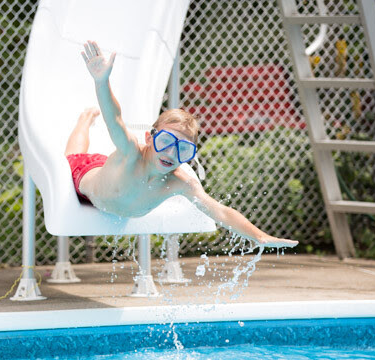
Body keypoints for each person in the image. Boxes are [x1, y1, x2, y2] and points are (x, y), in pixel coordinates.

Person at [66, 41, 298, 249]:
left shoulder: (180, 181)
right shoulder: (130, 152)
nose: (171, 152)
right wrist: (101, 82)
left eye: (183, 149)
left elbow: (219, 210)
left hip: (111, 188)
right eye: (165, 142)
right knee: (73, 155)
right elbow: (114, 119)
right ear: (149, 138)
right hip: (85, 177)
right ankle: (85, 120)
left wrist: (259, 236)